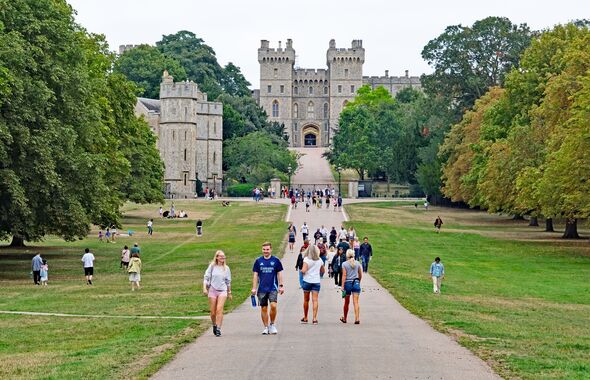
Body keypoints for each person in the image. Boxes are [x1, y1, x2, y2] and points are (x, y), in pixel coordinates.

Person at [251, 242, 284, 335]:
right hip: (261, 289)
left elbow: (279, 273)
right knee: (264, 308)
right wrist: (254, 288)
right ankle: (266, 327)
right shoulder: (258, 261)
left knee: (273, 306)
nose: (265, 251)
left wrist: (281, 286)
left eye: (267, 249)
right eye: (264, 249)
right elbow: (255, 275)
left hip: (273, 288)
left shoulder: (276, 260)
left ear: (271, 249)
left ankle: (272, 324)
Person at [203, 250, 232, 336]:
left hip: (222, 291)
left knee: (219, 309)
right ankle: (214, 325)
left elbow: (228, 281)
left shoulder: (226, 268)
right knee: (213, 312)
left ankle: (218, 328)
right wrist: (204, 288)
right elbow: (206, 277)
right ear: (217, 257)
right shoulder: (212, 266)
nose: (223, 258)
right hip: (212, 290)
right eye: (221, 256)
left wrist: (229, 292)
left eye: (224, 256)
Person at [300, 245, 324, 325]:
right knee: (315, 300)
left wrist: (301, 271)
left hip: (307, 281)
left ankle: (306, 317)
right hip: (316, 281)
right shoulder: (320, 260)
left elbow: (304, 270)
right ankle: (314, 318)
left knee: (306, 300)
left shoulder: (306, 259)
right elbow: (323, 270)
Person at [340, 249, 362, 324]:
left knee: (347, 302)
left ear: (347, 255)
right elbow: (360, 274)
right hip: (356, 283)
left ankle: (345, 318)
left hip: (347, 284)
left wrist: (342, 286)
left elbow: (344, 275)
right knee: (356, 302)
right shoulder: (357, 263)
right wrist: (358, 281)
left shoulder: (344, 264)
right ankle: (357, 318)